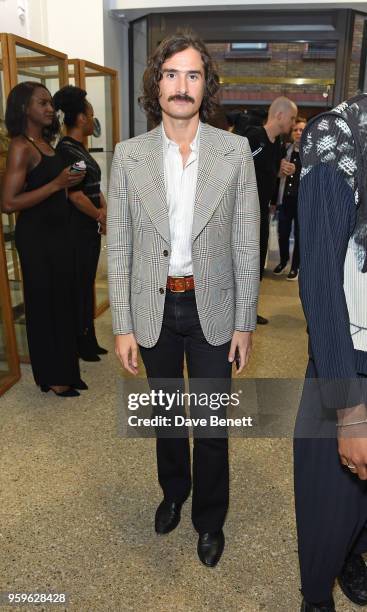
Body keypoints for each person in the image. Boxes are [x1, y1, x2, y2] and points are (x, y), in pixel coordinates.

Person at [107, 31, 260, 567]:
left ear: (205, 85)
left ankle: (209, 518)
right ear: (156, 83)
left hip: (211, 306)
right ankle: (173, 492)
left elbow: (247, 242)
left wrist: (245, 324)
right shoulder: (128, 157)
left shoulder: (235, 153)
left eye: (193, 75)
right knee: (168, 417)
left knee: (212, 425)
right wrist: (122, 325)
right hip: (156, 308)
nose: (181, 85)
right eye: (171, 74)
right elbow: (120, 245)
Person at [294, 94, 367, 611]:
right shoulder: (334, 135)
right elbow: (319, 284)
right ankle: (317, 594)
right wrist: (350, 410)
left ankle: (352, 556)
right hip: (350, 355)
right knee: (330, 500)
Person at [1, 81, 86, 397]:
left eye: (51, 103)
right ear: (25, 108)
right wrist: (56, 185)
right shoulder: (22, 147)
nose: (51, 108)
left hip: (59, 234)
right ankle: (51, 376)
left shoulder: (48, 145)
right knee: (43, 304)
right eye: (43, 103)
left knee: (63, 301)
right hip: (36, 238)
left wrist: (67, 183)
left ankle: (66, 370)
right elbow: (8, 203)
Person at [53, 85, 108, 362]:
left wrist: (104, 211)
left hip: (89, 227)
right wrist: (99, 215)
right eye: (89, 113)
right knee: (78, 284)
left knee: (86, 283)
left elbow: (94, 188)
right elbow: (74, 196)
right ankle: (80, 340)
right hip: (77, 228)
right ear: (80, 119)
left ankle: (89, 337)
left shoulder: (79, 150)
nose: (92, 119)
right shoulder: (68, 151)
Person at [245, 96, 298, 324]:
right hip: (246, 212)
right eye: (292, 118)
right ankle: (237, 311)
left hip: (263, 212)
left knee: (257, 262)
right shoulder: (254, 138)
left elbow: (270, 171)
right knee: (245, 262)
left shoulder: (277, 143)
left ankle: (249, 311)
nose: (293, 124)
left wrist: (281, 169)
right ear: (279, 115)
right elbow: (241, 166)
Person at [273, 117, 306, 281]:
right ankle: (283, 260)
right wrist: (280, 170)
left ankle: (295, 266)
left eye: (302, 130)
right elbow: (277, 175)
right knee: (282, 232)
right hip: (285, 198)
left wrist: (298, 170)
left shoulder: (311, 153)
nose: (299, 133)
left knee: (299, 234)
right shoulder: (285, 150)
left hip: (303, 201)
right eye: (296, 130)